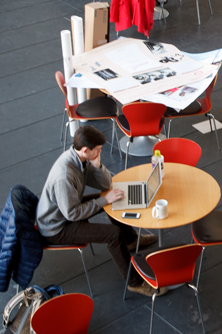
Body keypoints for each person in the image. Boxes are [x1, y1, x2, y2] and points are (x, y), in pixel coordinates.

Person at [36, 125, 162, 297]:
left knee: (113, 198)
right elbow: (72, 214)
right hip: (58, 227)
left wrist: (98, 165)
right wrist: (104, 200)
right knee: (113, 234)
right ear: (86, 149)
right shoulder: (64, 176)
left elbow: (105, 185)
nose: (100, 152)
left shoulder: (80, 159)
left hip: (68, 210)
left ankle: (130, 240)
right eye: (98, 150)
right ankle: (134, 282)